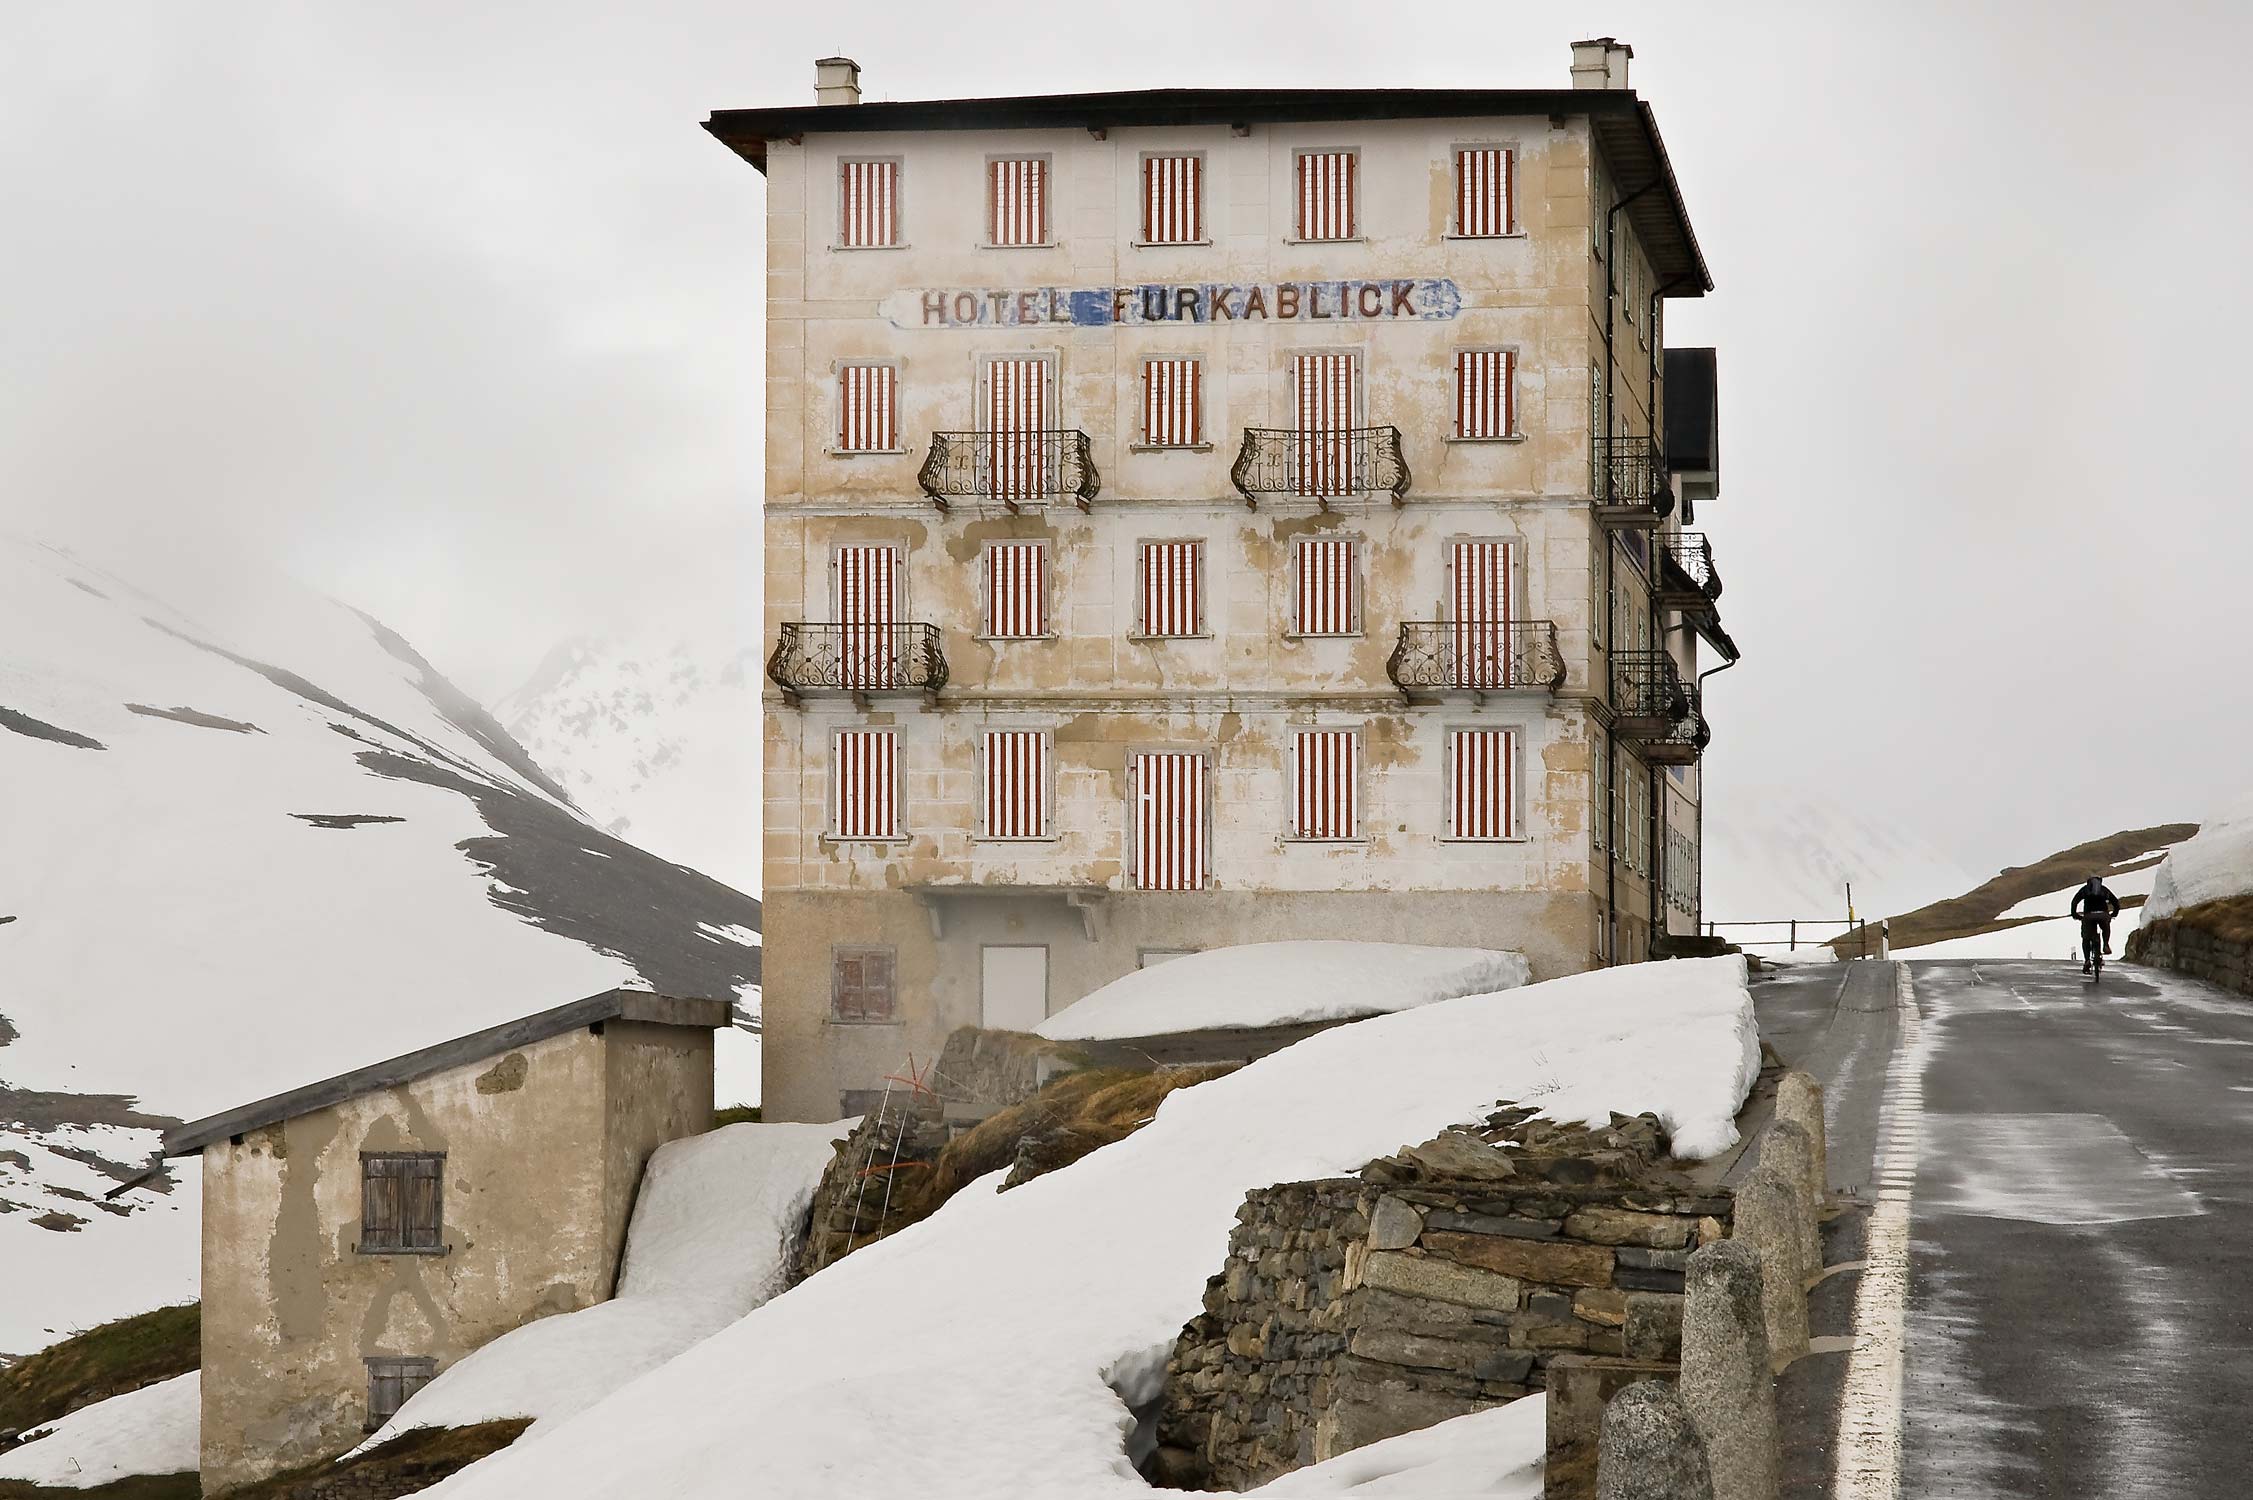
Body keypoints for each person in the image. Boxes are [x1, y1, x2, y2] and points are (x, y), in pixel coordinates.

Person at [2071, 873, 2122, 970]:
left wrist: (2075, 914)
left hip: (2088, 916)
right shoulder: (2103, 889)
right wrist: (2114, 914)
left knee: (2086, 938)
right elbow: (2116, 902)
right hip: (2103, 915)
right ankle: (2106, 944)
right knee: (2105, 927)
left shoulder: (2085, 889)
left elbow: (2074, 901)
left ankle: (2087, 960)